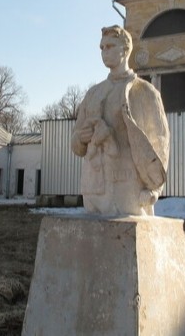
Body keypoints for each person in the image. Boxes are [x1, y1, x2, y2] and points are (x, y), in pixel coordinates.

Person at [71, 25, 170, 216]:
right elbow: (76, 143)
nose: (104, 52)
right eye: (102, 48)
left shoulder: (145, 92)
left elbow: (160, 142)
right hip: (95, 189)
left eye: (109, 46)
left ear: (124, 50)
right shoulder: (93, 93)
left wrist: (155, 189)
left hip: (129, 187)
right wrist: (80, 138)